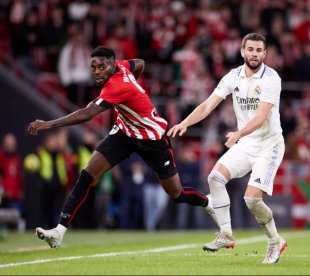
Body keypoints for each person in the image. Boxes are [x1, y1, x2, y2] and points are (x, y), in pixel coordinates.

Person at [27, 46, 209, 248]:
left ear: (112, 65)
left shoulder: (117, 86)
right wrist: (132, 94)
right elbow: (140, 63)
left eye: (101, 67)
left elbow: (87, 114)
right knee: (87, 174)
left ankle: (209, 203)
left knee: (176, 194)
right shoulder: (122, 67)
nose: (96, 71)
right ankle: (59, 232)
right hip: (125, 133)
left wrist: (49, 124)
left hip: (152, 138)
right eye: (93, 67)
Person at [168, 33, 287, 264]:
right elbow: (208, 105)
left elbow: (262, 117)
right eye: (250, 49)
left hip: (269, 145)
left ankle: (274, 242)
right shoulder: (233, 76)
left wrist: (238, 134)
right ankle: (226, 233)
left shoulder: (272, 78)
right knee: (215, 178)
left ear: (264, 54)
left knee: (252, 200)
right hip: (246, 143)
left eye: (258, 50)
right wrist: (184, 123)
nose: (254, 53)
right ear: (242, 51)